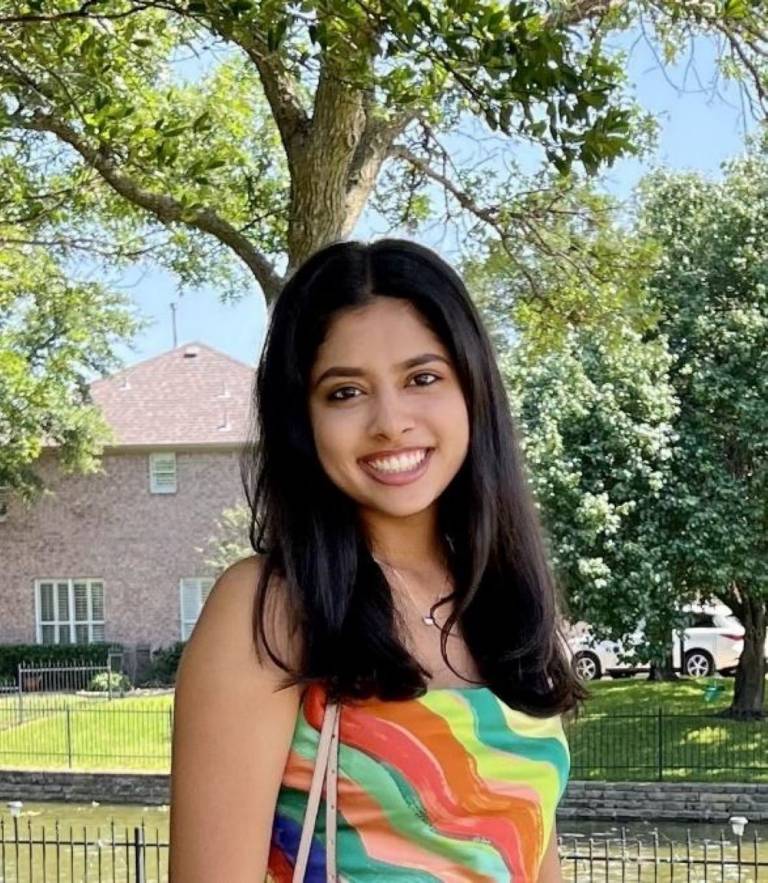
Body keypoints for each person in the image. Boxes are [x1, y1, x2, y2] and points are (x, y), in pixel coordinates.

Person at [169, 238, 588, 882]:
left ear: (472, 392)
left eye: (422, 378)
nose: (391, 422)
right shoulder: (272, 609)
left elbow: (530, 857)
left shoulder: (499, 599)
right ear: (302, 420)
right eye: (345, 393)